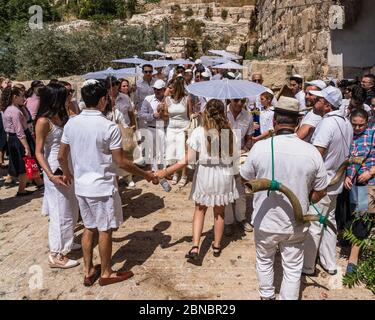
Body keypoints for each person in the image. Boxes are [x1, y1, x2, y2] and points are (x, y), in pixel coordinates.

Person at [58, 79, 158, 287]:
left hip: (82, 186)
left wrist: (68, 173)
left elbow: (61, 156)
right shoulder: (109, 127)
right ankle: (106, 271)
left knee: (88, 227)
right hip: (102, 187)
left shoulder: (72, 123)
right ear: (103, 99)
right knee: (104, 230)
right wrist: (145, 173)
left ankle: (87, 270)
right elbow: (120, 161)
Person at [240, 96, 328, 300]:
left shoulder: (260, 147)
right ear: (298, 123)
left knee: (264, 260)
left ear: (274, 122)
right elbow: (321, 189)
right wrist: (306, 200)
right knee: (292, 266)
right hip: (295, 223)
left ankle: (267, 296)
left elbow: (245, 177)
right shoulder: (311, 152)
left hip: (265, 221)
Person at [156, 99, 240, 259]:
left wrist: (165, 171)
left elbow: (186, 160)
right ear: (223, 113)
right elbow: (234, 156)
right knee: (220, 212)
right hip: (223, 174)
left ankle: (195, 247)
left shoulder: (199, 132)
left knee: (200, 210)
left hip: (205, 174)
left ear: (206, 113)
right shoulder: (230, 132)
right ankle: (216, 246)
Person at [303, 86, 353, 276]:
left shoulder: (327, 124)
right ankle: (329, 262)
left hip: (322, 183)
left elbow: (317, 154)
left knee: (315, 224)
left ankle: (307, 265)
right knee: (329, 222)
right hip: (335, 182)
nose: (316, 101)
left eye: (320, 99)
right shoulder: (346, 122)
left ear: (327, 104)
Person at [35, 83, 80, 269]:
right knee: (59, 211)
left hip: (67, 164)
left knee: (71, 206)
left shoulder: (63, 114)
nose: (68, 97)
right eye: (65, 95)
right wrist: (51, 175)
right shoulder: (43, 122)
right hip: (54, 168)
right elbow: (38, 152)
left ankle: (67, 242)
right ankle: (56, 254)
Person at [344, 109, 375, 274]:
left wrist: (370, 172)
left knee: (361, 219)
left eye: (360, 125)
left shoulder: (373, 133)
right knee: (356, 216)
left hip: (370, 183)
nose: (357, 128)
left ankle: (353, 260)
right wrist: (346, 176)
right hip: (353, 184)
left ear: (367, 121)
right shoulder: (348, 135)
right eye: (354, 124)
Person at [1, 86, 44, 196]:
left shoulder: (13, 109)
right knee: (25, 163)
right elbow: (19, 131)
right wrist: (26, 147)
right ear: (14, 97)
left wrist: (23, 107)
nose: (24, 98)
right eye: (21, 96)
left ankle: (39, 182)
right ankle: (21, 189)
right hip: (19, 139)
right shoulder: (14, 111)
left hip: (17, 138)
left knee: (30, 162)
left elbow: (26, 119)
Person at [224, 98, 254, 236]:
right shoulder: (222, 113)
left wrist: (245, 150)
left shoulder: (248, 116)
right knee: (226, 190)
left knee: (241, 190)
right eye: (236, 100)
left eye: (242, 101)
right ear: (231, 99)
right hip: (223, 156)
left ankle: (241, 219)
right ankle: (228, 222)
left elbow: (249, 137)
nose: (239, 104)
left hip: (240, 157)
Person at [165, 77, 193, 187]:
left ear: (177, 88)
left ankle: (184, 175)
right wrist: (161, 110)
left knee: (183, 152)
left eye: (171, 87)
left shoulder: (187, 99)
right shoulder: (167, 99)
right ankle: (175, 173)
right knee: (173, 151)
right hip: (171, 128)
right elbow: (166, 115)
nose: (168, 89)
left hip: (183, 128)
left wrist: (194, 115)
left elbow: (190, 113)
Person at [139, 79, 167, 172]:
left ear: (164, 89)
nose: (156, 91)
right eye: (155, 89)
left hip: (165, 128)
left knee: (164, 151)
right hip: (152, 128)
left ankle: (164, 171)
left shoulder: (168, 100)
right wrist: (152, 116)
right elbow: (141, 114)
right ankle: (155, 172)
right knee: (153, 152)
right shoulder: (148, 99)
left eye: (159, 89)